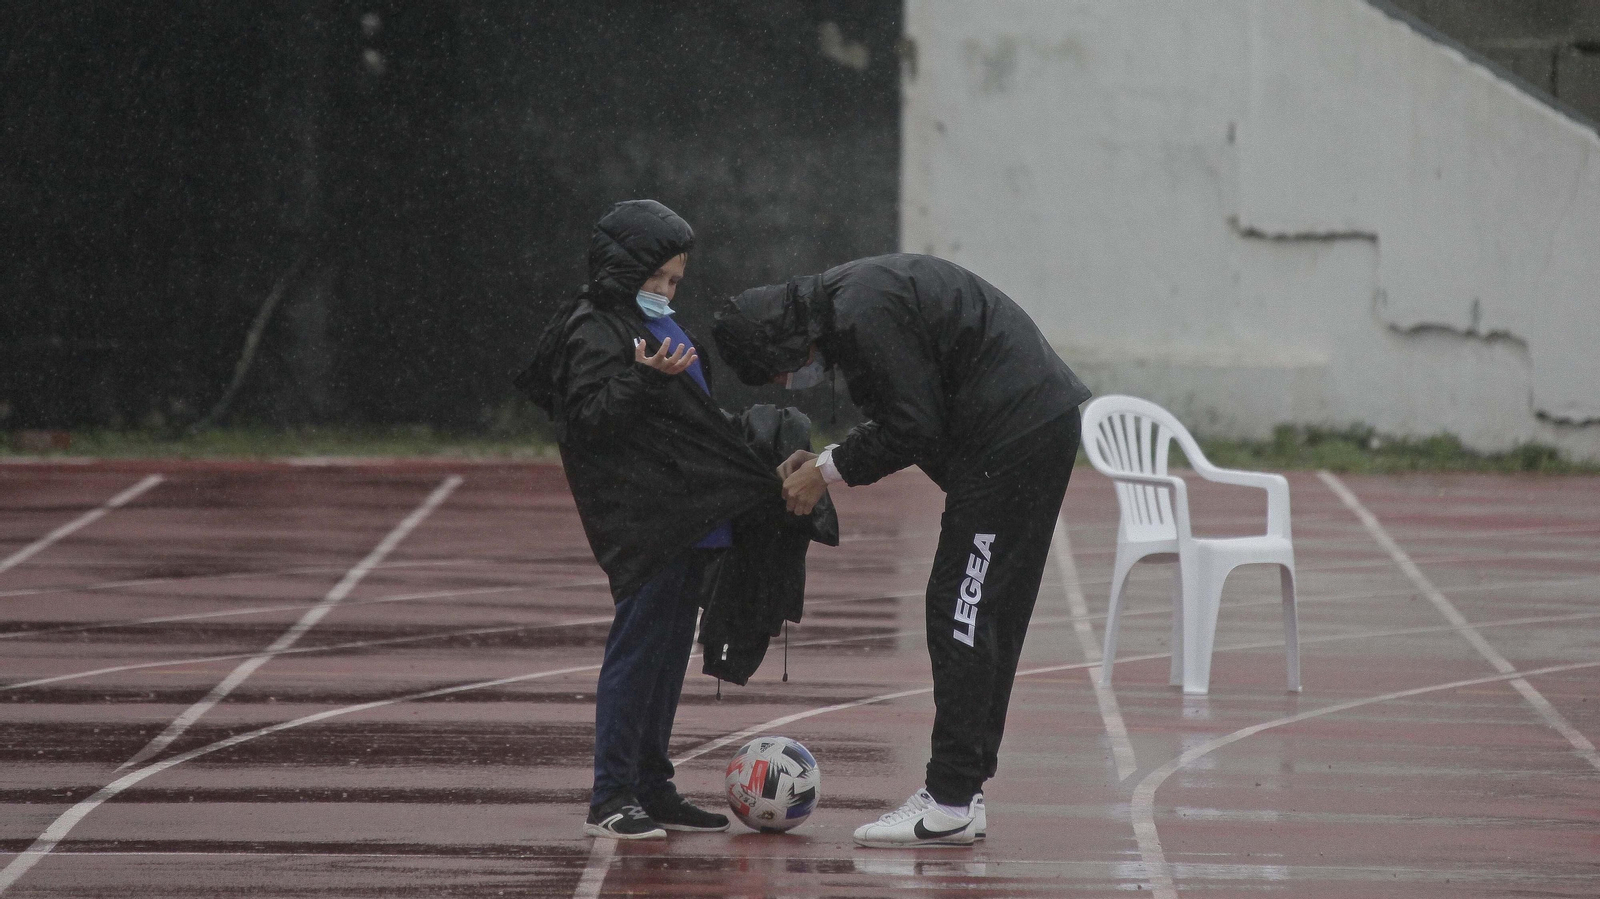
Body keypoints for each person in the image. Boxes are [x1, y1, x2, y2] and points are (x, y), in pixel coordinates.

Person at [713, 253, 1092, 848]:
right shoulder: (847, 303)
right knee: (983, 610)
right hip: (1022, 430)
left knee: (961, 611)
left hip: (1014, 438)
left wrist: (827, 471)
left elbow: (914, 427)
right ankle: (963, 792)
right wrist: (821, 463)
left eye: (781, 372)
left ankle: (948, 800)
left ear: (783, 338)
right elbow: (913, 413)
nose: (790, 384)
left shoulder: (862, 313)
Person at [515, 199, 808, 840]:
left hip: (694, 516)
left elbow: (692, 420)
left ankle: (653, 786)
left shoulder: (666, 325)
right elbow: (589, 420)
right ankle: (610, 796)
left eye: (675, 280)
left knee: (669, 657)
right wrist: (643, 381)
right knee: (637, 653)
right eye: (658, 279)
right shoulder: (593, 327)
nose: (668, 291)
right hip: (647, 520)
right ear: (627, 268)